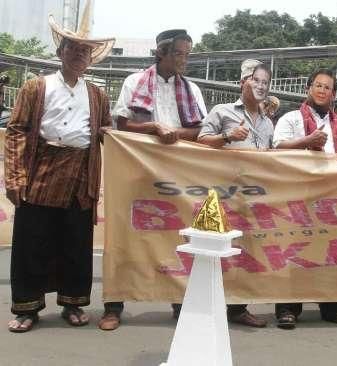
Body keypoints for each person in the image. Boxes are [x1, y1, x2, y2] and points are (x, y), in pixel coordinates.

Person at [5, 15, 114, 333]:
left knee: (76, 243)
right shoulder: (36, 87)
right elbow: (16, 130)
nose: (80, 55)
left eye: (85, 52)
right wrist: (14, 177)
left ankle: (73, 303)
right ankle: (27, 308)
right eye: (74, 49)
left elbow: (105, 131)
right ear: (61, 52)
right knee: (32, 242)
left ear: (90, 60)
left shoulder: (97, 95)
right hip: (41, 172)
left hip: (81, 175)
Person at [100, 29, 207, 331]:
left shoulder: (192, 90)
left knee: (179, 234)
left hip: (176, 175)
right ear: (161, 53)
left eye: (187, 54)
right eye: (178, 54)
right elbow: (122, 125)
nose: (184, 60)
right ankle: (113, 305)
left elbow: (200, 131)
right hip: (137, 172)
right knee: (126, 235)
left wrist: (173, 133)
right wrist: (154, 129)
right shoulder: (134, 82)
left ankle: (180, 303)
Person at [272, 68, 337, 329]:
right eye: (318, 86)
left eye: (328, 87)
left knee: (332, 253)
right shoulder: (290, 119)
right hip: (297, 194)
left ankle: (333, 309)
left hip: (331, 197)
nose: (322, 91)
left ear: (333, 94)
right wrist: (306, 141)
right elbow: (276, 147)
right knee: (295, 251)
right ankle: (287, 309)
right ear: (309, 88)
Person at [196, 59, 274, 328]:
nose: (260, 86)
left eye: (265, 82)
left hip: (253, 198)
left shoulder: (268, 123)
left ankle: (238, 307)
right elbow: (200, 142)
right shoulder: (222, 111)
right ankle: (203, 304)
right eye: (256, 80)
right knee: (215, 247)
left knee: (245, 251)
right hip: (222, 193)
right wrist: (228, 136)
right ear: (243, 83)